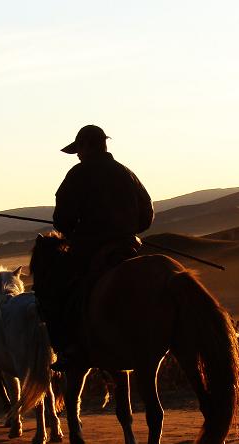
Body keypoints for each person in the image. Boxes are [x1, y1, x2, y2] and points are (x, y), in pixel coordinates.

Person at [45, 125, 154, 370]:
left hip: (90, 250)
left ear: (86, 146)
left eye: (79, 150)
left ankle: (69, 348)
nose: (78, 155)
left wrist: (77, 231)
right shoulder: (126, 173)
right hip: (128, 247)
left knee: (57, 290)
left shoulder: (78, 174)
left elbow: (62, 219)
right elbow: (147, 215)